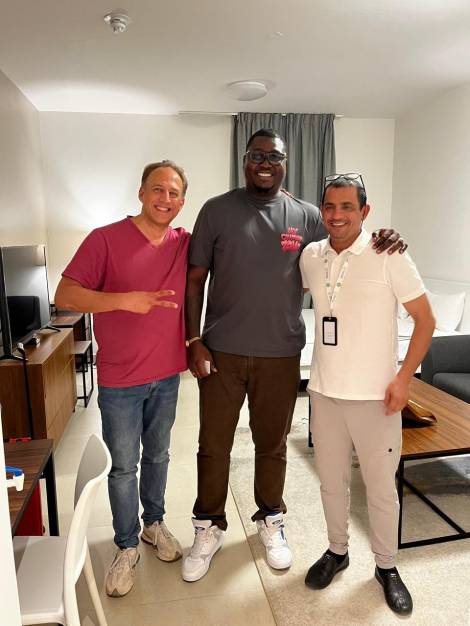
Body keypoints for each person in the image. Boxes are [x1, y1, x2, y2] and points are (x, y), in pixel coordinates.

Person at [182, 129, 406, 583]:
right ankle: (208, 526)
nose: (265, 163)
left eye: (274, 157)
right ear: (245, 160)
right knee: (214, 446)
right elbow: (194, 279)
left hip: (281, 354)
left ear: (286, 164)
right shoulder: (216, 210)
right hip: (222, 353)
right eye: (257, 155)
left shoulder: (306, 215)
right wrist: (193, 340)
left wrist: (386, 236)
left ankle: (270, 518)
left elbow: (346, 238)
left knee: (272, 445)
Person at [299, 174, 435, 615]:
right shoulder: (311, 255)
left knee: (380, 489)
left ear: (365, 212)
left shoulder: (388, 253)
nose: (337, 215)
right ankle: (337, 551)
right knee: (331, 483)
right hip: (323, 393)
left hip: (377, 399)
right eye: (329, 206)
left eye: (347, 207)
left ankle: (386, 566)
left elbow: (426, 320)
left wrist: (404, 379)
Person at [55, 160, 190, 597]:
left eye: (173, 193)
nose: (165, 198)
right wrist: (122, 300)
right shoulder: (105, 239)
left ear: (182, 202)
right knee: (124, 466)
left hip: (166, 375)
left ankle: (154, 524)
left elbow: (236, 245)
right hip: (119, 380)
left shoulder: (184, 242)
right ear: (141, 192)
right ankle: (126, 544)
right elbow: (65, 295)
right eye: (157, 189)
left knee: (159, 456)